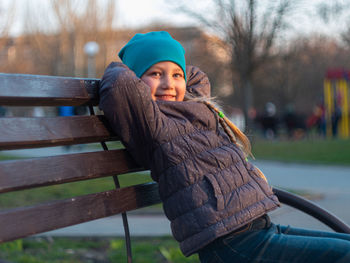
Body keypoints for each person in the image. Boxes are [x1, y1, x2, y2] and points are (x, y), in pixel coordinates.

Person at [99, 31, 350, 262]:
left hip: (258, 229)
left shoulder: (197, 112)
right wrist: (129, 64)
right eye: (155, 74)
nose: (168, 84)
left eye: (177, 75)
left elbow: (198, 78)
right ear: (136, 81)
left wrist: (171, 70)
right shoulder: (151, 124)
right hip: (230, 244)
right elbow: (119, 84)